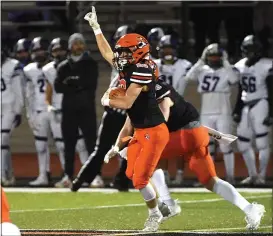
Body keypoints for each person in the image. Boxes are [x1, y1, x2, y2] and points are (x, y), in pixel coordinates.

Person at [114, 78, 266, 231]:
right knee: (210, 180)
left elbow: (163, 122)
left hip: (181, 137)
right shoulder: (153, 92)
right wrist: (217, 135)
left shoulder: (154, 97)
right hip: (196, 135)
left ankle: (168, 205)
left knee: (141, 161)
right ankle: (250, 209)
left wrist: (132, 146)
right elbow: (189, 122)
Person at [85, 7, 169, 231]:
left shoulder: (142, 68)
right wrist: (96, 28)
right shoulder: (130, 65)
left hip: (154, 130)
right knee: (132, 174)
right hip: (139, 128)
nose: (120, 56)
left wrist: (107, 99)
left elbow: (126, 103)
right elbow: (106, 53)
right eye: (121, 52)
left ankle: (155, 214)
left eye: (125, 52)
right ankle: (161, 203)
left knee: (140, 180)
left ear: (138, 52)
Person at [71, 25, 134, 191]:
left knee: (128, 150)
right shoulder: (123, 62)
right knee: (103, 150)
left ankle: (121, 181)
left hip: (128, 114)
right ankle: (81, 180)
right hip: (117, 112)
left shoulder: (139, 64)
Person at [183, 43, 239, 184]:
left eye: (217, 56)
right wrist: (200, 61)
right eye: (211, 56)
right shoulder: (203, 69)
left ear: (222, 57)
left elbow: (234, 80)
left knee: (225, 144)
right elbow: (189, 77)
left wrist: (226, 62)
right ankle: (210, 177)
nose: (214, 59)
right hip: (207, 112)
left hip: (223, 112)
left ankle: (231, 177)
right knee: (206, 146)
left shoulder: (227, 70)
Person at [54, 33, 98, 187]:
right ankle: (67, 175)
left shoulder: (91, 64)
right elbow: (58, 87)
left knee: (92, 144)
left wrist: (71, 83)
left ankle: (95, 176)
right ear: (70, 46)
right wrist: (76, 84)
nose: (78, 46)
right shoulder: (63, 66)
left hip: (86, 108)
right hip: (69, 109)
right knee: (69, 145)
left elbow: (89, 84)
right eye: (75, 43)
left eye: (81, 43)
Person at [43, 37, 89, 180]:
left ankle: (87, 175)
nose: (59, 53)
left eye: (61, 50)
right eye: (56, 50)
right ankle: (67, 176)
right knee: (61, 146)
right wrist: (49, 106)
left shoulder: (76, 65)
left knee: (81, 144)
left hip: (74, 108)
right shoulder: (48, 69)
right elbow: (48, 89)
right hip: (57, 110)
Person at [233, 35, 273, 185]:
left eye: (252, 49)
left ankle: (262, 176)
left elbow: (271, 90)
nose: (249, 52)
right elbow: (240, 89)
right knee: (243, 142)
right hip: (245, 104)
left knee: (262, 141)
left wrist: (271, 112)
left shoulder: (266, 65)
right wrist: (237, 109)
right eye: (247, 49)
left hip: (261, 103)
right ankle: (253, 175)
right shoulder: (241, 65)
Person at [154, 34, 192, 185]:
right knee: (160, 144)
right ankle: (164, 175)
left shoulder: (185, 65)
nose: (167, 52)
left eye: (170, 48)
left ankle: (180, 174)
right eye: (165, 49)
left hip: (177, 107)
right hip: (159, 107)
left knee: (179, 144)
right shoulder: (154, 64)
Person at [24, 37, 53, 186]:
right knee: (40, 146)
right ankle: (43, 174)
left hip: (55, 110)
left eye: (41, 49)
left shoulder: (56, 66)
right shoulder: (29, 70)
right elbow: (29, 94)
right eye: (35, 50)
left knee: (64, 144)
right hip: (39, 111)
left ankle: (67, 175)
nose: (38, 53)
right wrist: (30, 115)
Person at [1, 46, 24, 186]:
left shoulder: (13, 65)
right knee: (2, 143)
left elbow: (18, 90)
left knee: (2, 139)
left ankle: (2, 175)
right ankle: (8, 173)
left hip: (9, 107)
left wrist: (18, 111)